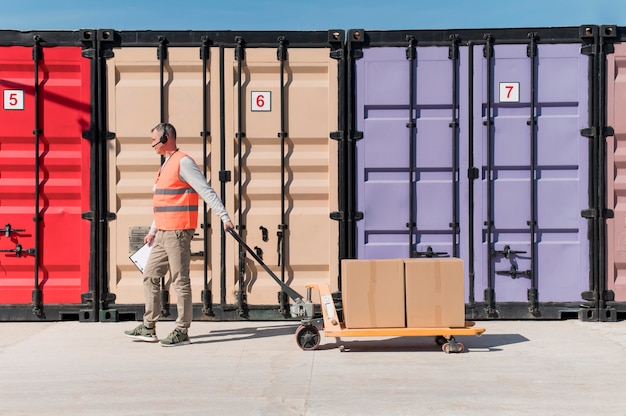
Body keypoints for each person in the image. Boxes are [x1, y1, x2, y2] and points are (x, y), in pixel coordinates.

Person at [124, 122, 234, 347]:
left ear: (165, 139)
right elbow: (165, 201)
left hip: (178, 233)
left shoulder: (183, 162)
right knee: (150, 276)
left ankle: (182, 329)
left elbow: (206, 190)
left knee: (179, 281)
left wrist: (224, 217)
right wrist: (153, 230)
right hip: (163, 232)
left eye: (153, 139)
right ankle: (148, 326)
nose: (151, 144)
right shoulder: (165, 164)